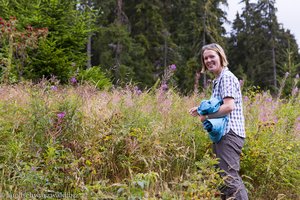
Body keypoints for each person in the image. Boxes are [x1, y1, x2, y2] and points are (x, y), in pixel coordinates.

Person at [189, 43, 248, 200]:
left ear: (221, 57)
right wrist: (201, 110)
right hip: (223, 134)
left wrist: (206, 117)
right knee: (223, 179)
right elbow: (218, 105)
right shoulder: (218, 80)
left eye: (212, 56)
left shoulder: (227, 78)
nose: (208, 60)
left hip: (230, 133)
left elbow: (228, 107)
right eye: (205, 58)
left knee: (229, 178)